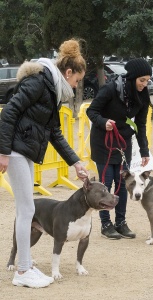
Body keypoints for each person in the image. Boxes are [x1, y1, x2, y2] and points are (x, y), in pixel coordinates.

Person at [0, 39, 89, 288]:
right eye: (77, 80)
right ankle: (23, 270)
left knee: (26, 209)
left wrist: (76, 163)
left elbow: (55, 133)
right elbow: (9, 112)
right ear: (68, 72)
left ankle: (26, 265)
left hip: (24, 152)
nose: (76, 85)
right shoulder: (40, 82)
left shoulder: (53, 90)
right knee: (26, 210)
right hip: (15, 151)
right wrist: (3, 151)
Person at [86, 58, 151, 240]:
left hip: (123, 143)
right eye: (142, 80)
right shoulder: (110, 89)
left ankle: (121, 222)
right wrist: (103, 122)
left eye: (147, 81)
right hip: (103, 141)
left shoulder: (143, 96)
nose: (145, 84)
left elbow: (141, 124)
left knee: (123, 183)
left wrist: (144, 150)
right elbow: (91, 111)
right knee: (106, 184)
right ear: (132, 78)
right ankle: (106, 224)